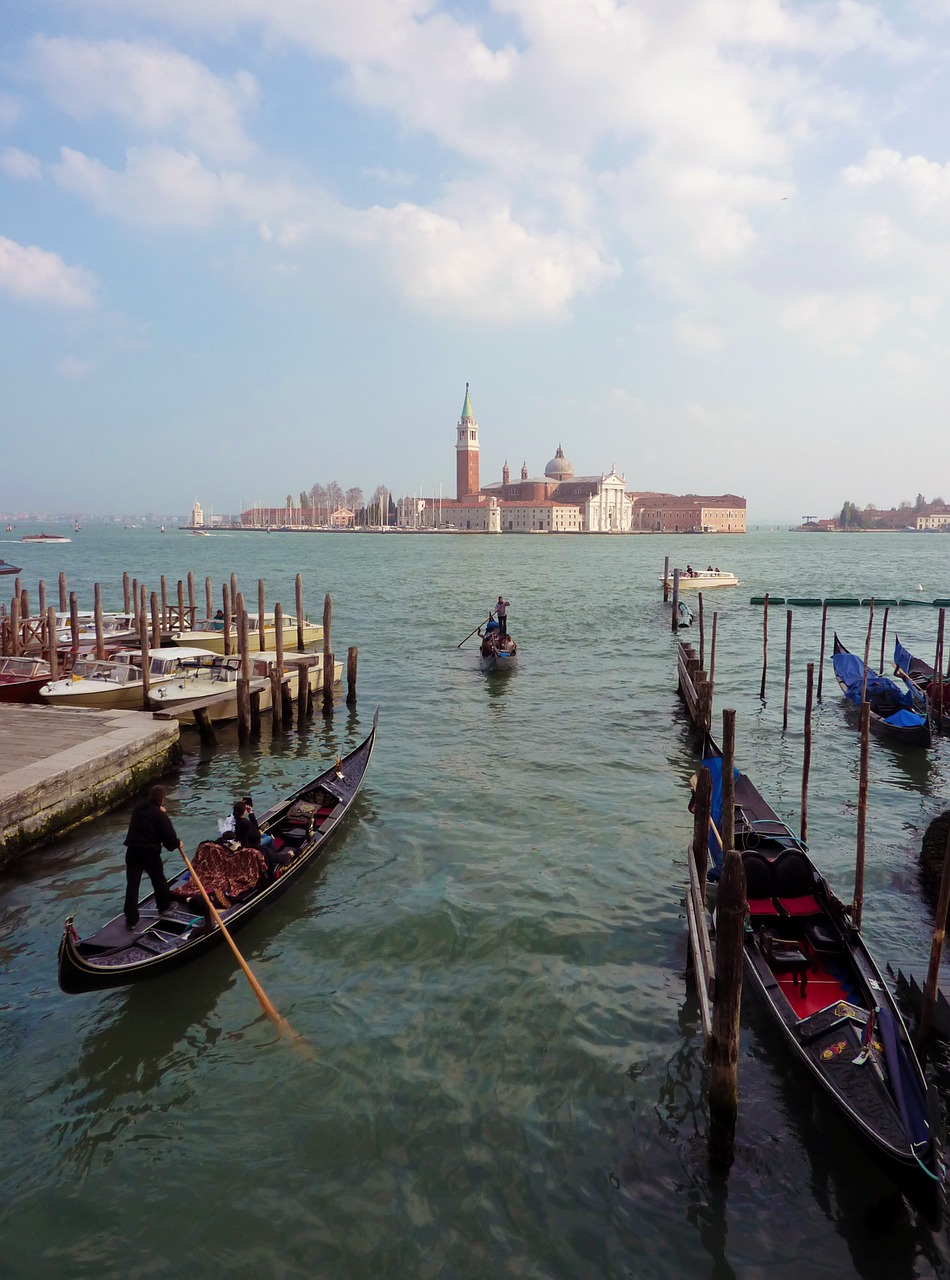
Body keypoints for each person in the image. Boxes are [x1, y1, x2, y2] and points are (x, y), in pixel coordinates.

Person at [123, 783, 180, 929]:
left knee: (132, 886)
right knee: (159, 880)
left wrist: (158, 811)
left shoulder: (138, 809)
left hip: (132, 851)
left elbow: (148, 815)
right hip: (149, 853)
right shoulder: (160, 816)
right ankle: (164, 906)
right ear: (162, 800)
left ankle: (131, 919)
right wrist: (178, 843)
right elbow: (170, 840)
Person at [232, 798, 291, 873]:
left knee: (265, 835)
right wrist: (250, 813)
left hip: (242, 841)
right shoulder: (245, 822)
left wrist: (239, 805)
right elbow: (256, 831)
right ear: (243, 812)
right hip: (250, 844)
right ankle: (275, 856)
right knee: (269, 838)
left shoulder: (233, 820)